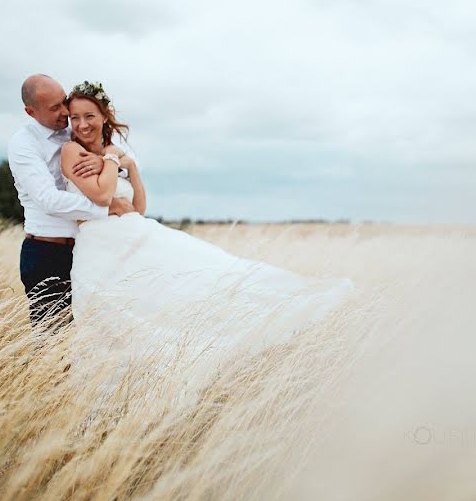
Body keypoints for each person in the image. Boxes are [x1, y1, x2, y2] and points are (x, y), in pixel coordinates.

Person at [60, 80, 354, 389]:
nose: (82, 124)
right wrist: (110, 160)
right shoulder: (72, 151)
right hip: (101, 249)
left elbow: (139, 207)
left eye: (89, 115)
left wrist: (129, 165)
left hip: (136, 235)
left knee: (195, 283)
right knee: (109, 321)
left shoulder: (116, 152)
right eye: (75, 117)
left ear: (104, 115)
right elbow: (103, 196)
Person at [8, 74, 135, 330]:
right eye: (55, 108)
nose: (65, 112)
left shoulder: (74, 126)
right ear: (30, 112)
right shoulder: (23, 145)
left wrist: (105, 161)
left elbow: (122, 156)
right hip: (47, 254)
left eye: (63, 102)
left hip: (88, 251)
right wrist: (107, 208)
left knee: (93, 337)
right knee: (52, 343)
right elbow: (49, 200)